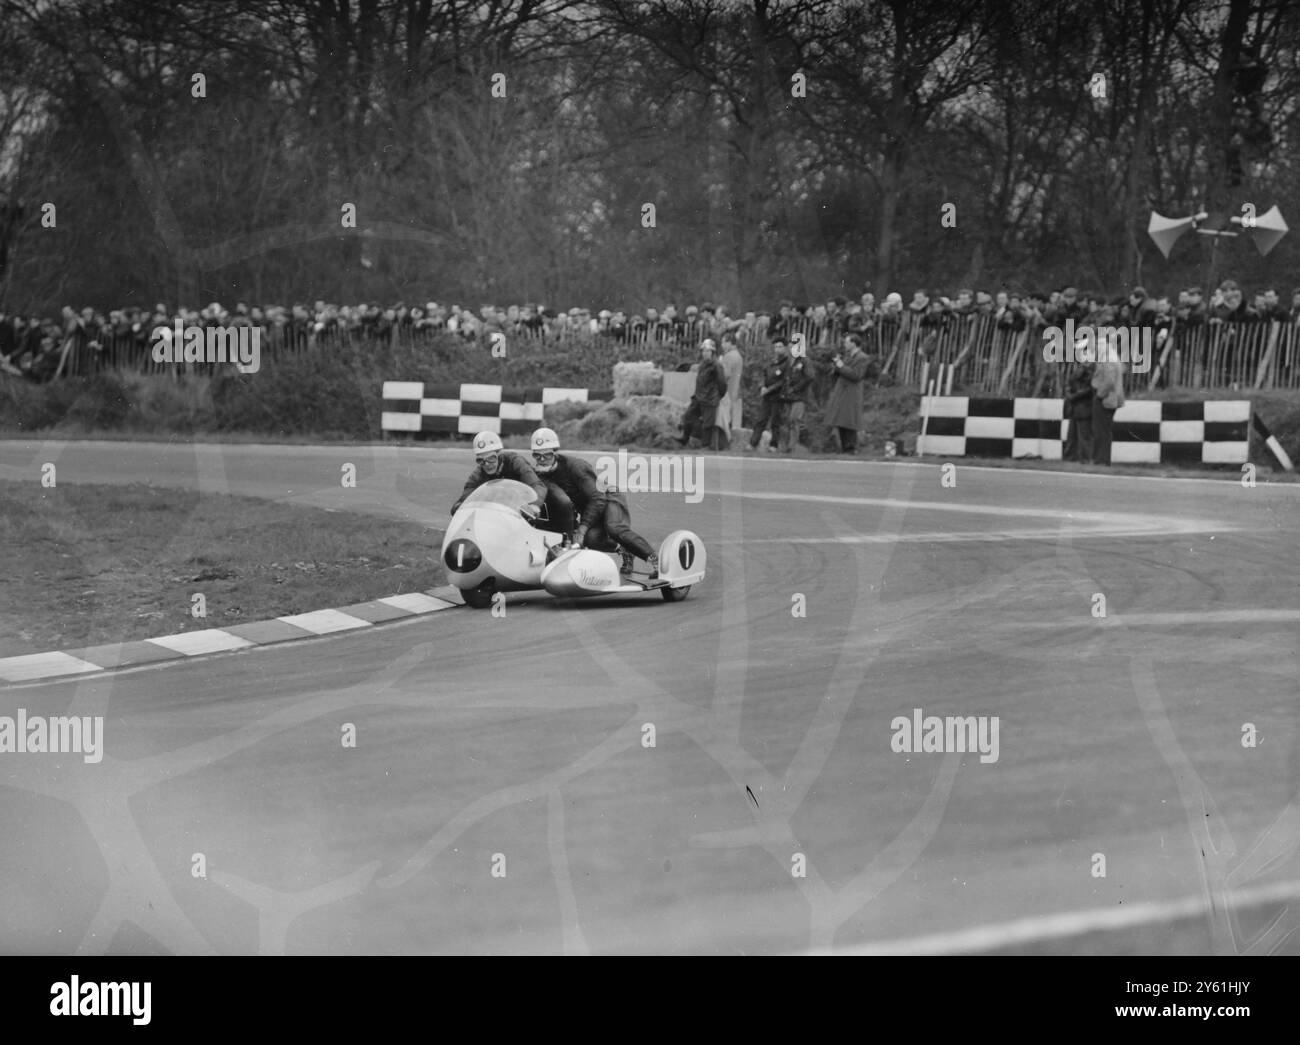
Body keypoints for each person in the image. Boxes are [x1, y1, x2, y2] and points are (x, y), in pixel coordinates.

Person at [531, 428, 658, 577]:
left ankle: (655, 561)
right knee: (591, 539)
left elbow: (598, 498)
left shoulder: (576, 466)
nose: (542, 459)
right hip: (588, 508)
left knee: (614, 527)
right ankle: (625, 551)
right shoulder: (540, 475)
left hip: (608, 498)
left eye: (547, 454)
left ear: (555, 452)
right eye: (537, 455)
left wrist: (582, 528)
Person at [450, 430, 561, 528]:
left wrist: (534, 505)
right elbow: (461, 501)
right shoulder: (477, 474)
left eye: (491, 458)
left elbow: (538, 485)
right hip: (497, 516)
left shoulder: (515, 462)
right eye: (481, 460)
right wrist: (460, 507)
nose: (487, 464)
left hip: (522, 511)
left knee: (561, 502)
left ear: (499, 454)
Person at [823, 332, 871, 453]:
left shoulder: (863, 358)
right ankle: (845, 448)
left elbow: (856, 375)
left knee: (849, 420)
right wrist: (836, 366)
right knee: (841, 420)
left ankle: (851, 447)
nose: (844, 344)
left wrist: (840, 365)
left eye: (847, 342)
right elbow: (841, 370)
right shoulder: (848, 356)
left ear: (854, 343)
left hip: (852, 392)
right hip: (842, 391)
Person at [677, 339, 728, 449]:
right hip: (698, 397)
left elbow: (722, 383)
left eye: (707, 351)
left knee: (708, 424)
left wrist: (718, 396)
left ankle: (705, 445)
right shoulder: (703, 364)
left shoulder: (717, 365)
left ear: (713, 352)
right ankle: (684, 439)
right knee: (688, 417)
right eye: (703, 351)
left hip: (710, 399)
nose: (705, 353)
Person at [748, 337, 790, 452]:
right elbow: (764, 374)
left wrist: (769, 389)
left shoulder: (787, 363)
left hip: (778, 396)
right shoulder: (771, 361)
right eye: (775, 347)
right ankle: (753, 443)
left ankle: (773, 446)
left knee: (775, 422)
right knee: (761, 419)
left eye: (780, 347)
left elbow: (783, 381)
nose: (777, 349)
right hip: (767, 396)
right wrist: (762, 386)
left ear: (785, 348)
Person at [1090, 356, 1126, 465]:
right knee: (1105, 431)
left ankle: (1100, 460)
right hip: (1111, 398)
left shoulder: (1108, 358)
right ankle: (1103, 460)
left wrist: (1099, 395)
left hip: (1105, 399)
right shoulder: (1113, 358)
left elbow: (1109, 380)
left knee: (1101, 431)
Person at [779, 338, 812, 453]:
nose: (789, 349)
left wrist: (796, 388)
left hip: (799, 396)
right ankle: (787, 445)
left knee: (794, 419)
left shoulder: (804, 360)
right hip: (788, 396)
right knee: (787, 420)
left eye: (792, 346)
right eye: (789, 347)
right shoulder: (789, 360)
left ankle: (793, 446)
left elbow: (809, 377)